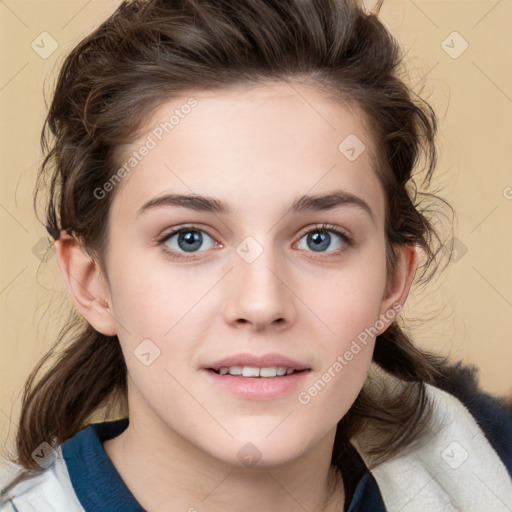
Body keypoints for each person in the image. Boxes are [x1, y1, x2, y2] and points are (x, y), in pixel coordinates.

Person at [1, 0, 511, 510]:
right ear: (93, 281)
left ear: (393, 280)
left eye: (320, 238)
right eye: (189, 239)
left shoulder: (482, 476)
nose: (262, 303)